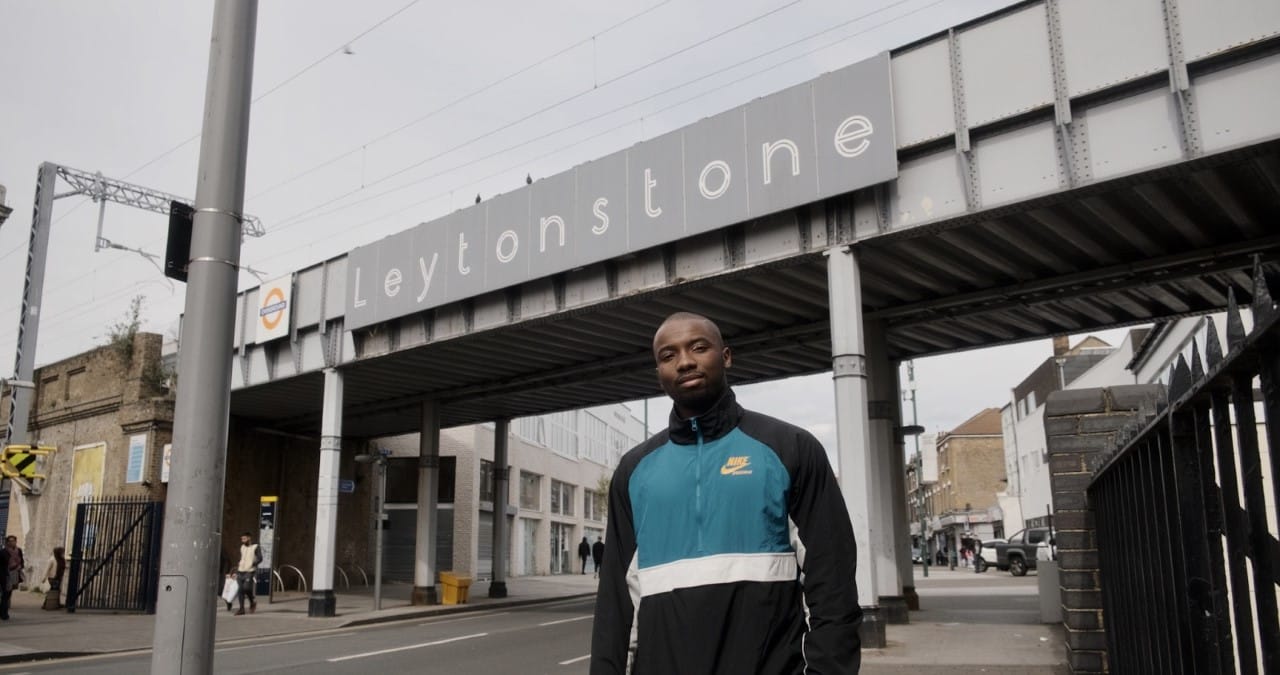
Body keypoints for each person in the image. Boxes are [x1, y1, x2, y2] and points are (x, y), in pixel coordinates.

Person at [591, 312, 861, 674]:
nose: (685, 361)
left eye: (698, 347)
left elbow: (833, 584)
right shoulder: (633, 471)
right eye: (668, 356)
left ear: (726, 356)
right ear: (659, 373)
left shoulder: (791, 448)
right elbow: (614, 605)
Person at [234, 532, 262, 616]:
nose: (242, 541)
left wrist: (253, 564)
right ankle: (241, 609)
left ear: (249, 538)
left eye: (244, 539)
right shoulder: (242, 547)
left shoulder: (255, 547)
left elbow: (260, 558)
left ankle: (252, 601)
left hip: (249, 571)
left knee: (246, 588)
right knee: (240, 590)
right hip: (240, 570)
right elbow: (242, 558)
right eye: (242, 539)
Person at [1, 536, 24, 620]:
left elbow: (22, 561)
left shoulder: (19, 551)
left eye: (14, 541)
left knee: (8, 594)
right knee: (5, 594)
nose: (12, 542)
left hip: (15, 574)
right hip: (5, 575)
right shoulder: (3, 552)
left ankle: (3, 611)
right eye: (10, 541)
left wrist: (20, 567)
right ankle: (4, 614)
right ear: (7, 542)